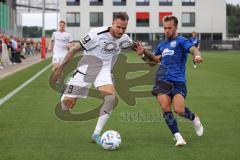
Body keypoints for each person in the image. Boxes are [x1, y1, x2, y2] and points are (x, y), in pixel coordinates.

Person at [52, 12, 140, 145]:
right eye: (118, 27)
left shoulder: (124, 39)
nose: (121, 31)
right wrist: (61, 68)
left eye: (124, 28)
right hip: (86, 69)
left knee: (110, 99)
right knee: (65, 107)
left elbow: (137, 47)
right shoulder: (96, 34)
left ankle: (96, 134)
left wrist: (150, 57)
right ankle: (65, 93)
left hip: (103, 71)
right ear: (112, 24)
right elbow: (73, 50)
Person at [135, 15, 204, 146]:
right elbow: (154, 61)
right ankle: (178, 137)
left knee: (179, 110)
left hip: (178, 81)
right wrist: (143, 53)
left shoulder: (181, 41)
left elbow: (193, 49)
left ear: (176, 27)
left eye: (169, 28)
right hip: (162, 80)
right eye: (165, 28)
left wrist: (198, 55)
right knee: (165, 106)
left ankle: (194, 118)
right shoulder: (162, 45)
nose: (166, 30)